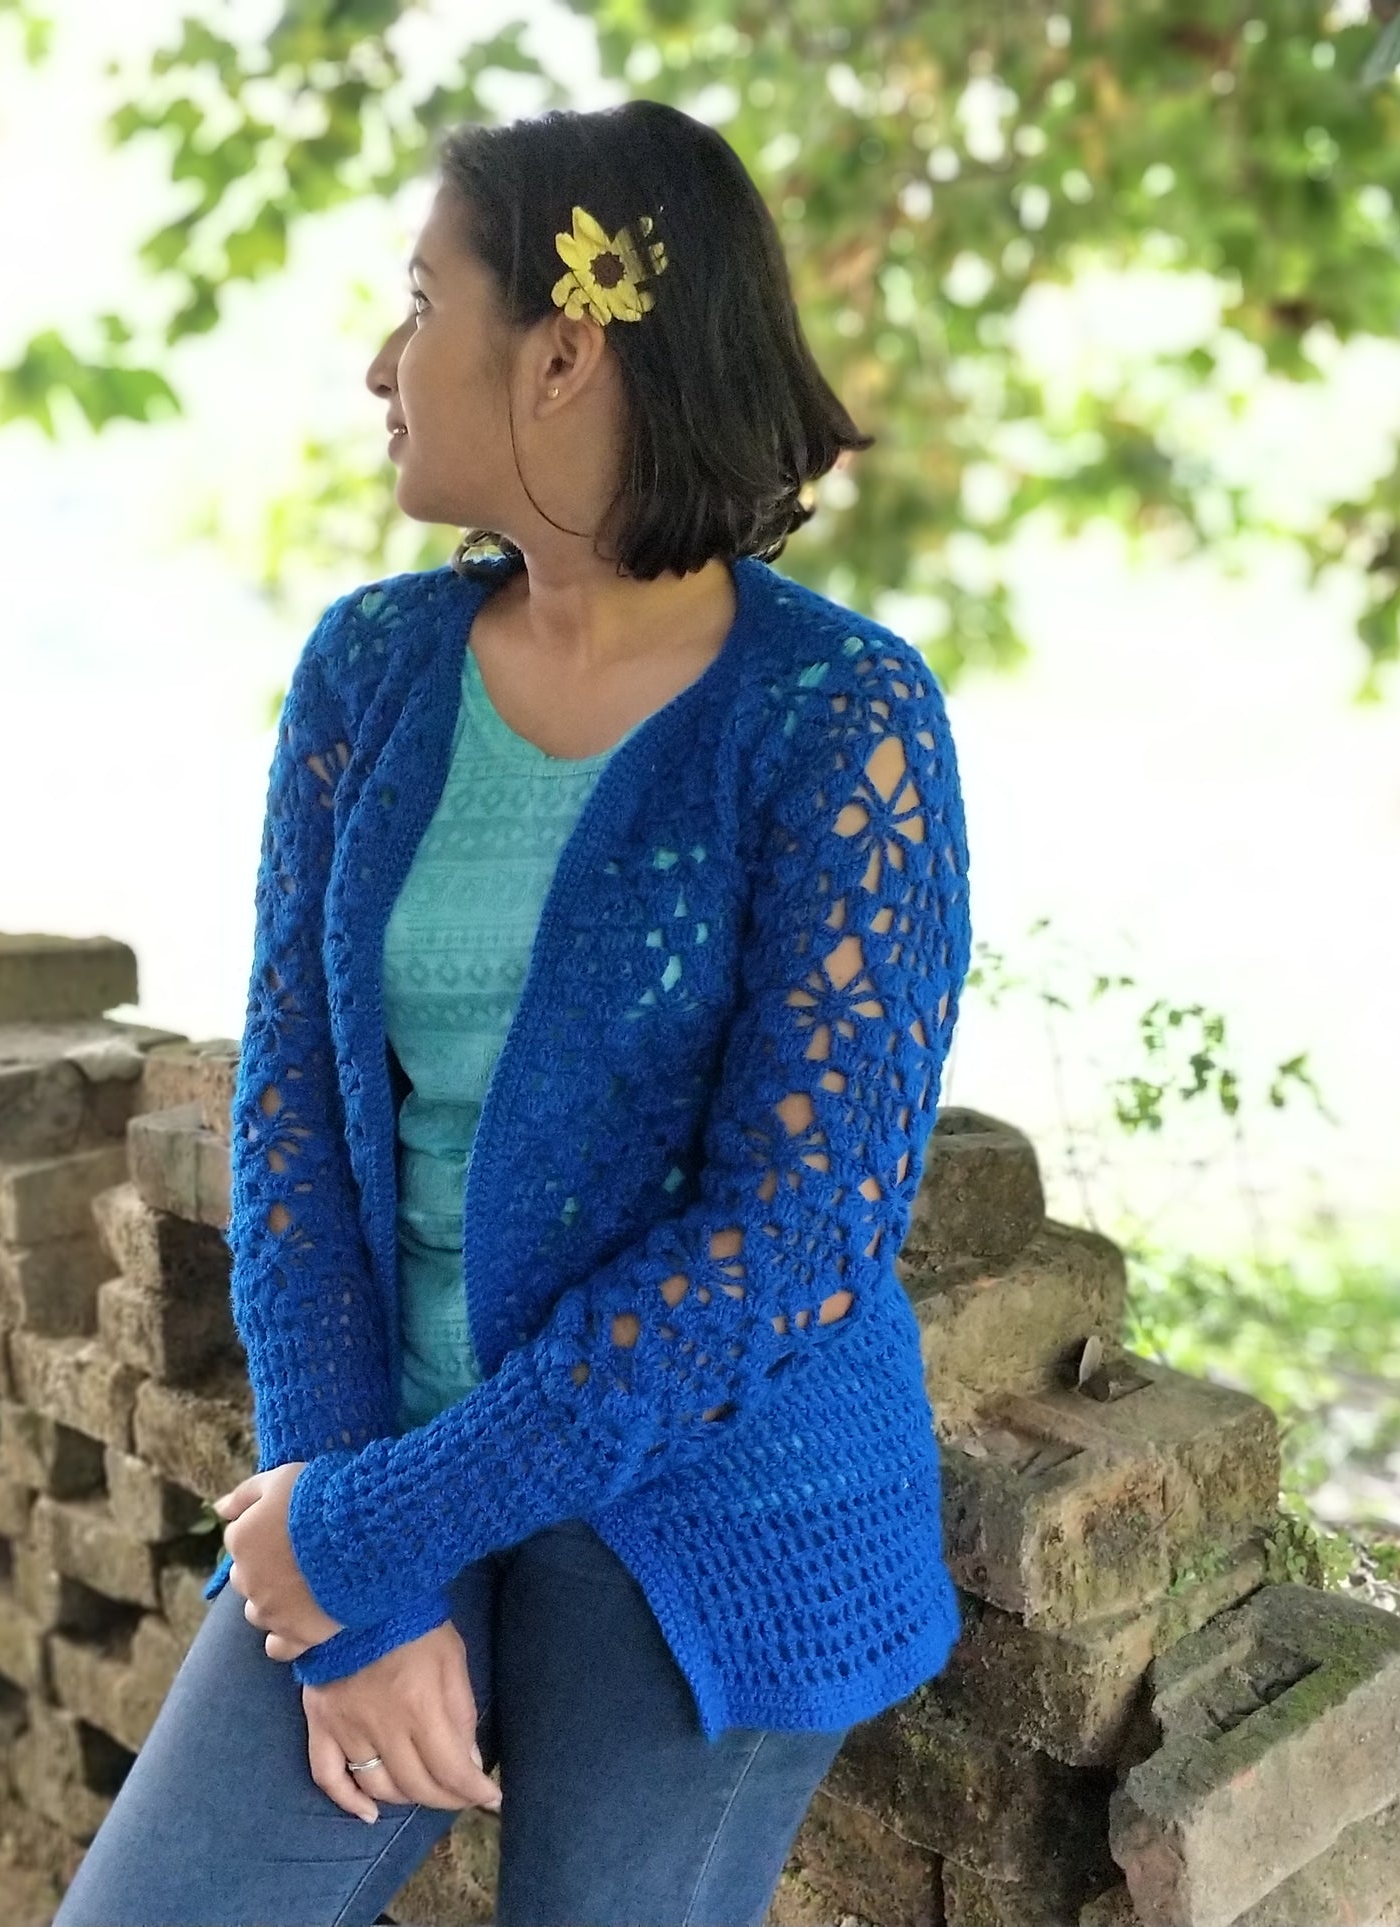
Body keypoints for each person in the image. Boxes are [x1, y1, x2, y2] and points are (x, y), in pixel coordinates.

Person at [53, 98, 973, 1927]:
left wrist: (368, 1531)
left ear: (564, 351)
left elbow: (796, 1236)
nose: (379, 365)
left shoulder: (839, 720)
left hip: (716, 1500)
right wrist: (357, 1569)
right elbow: (296, 1127)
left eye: (420, 304)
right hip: (380, 1465)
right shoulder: (373, 669)